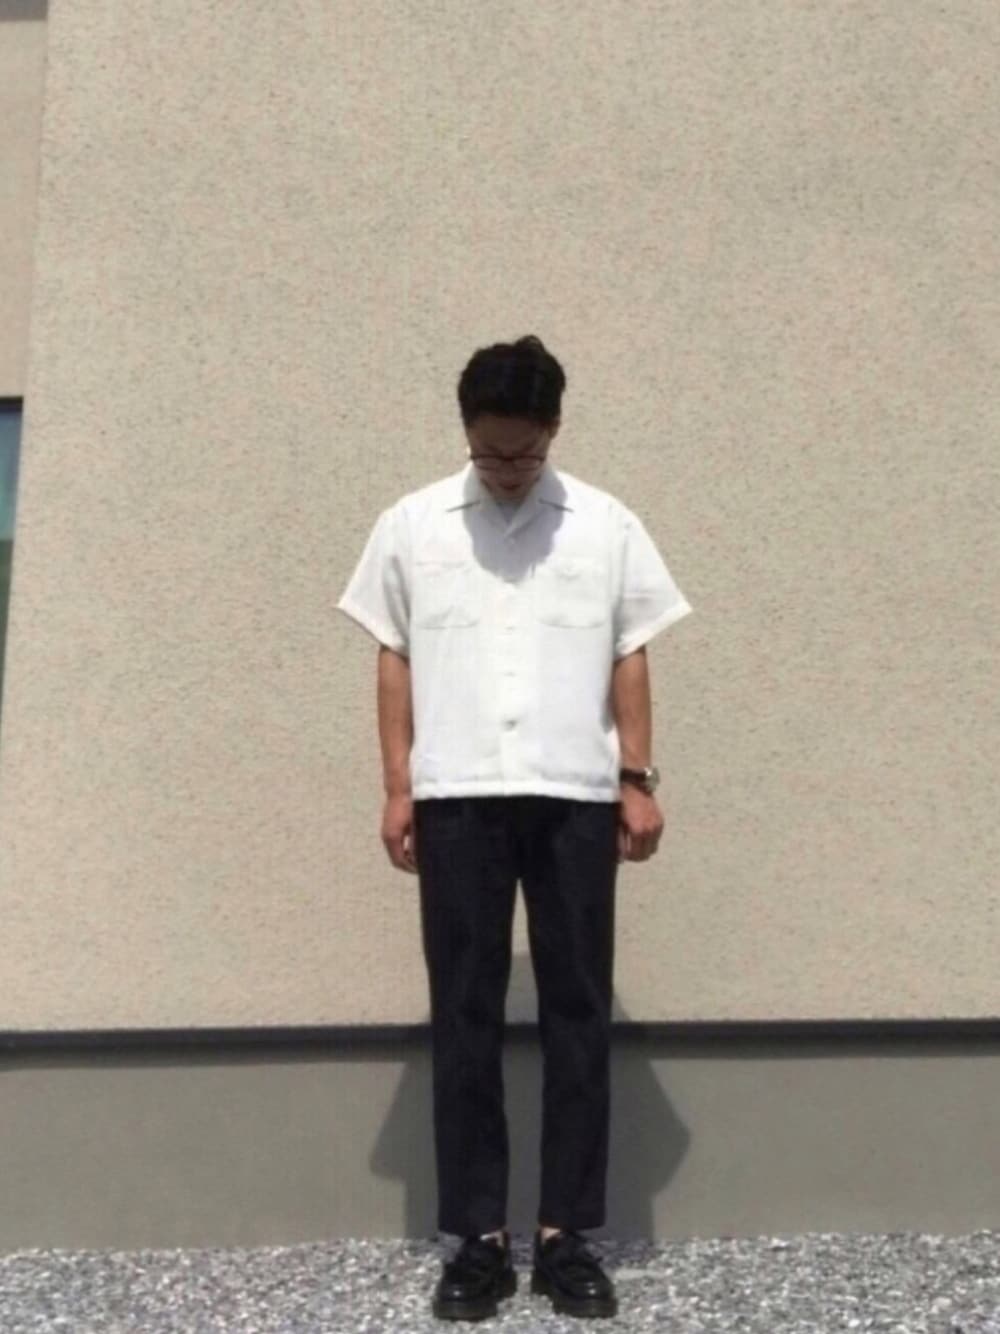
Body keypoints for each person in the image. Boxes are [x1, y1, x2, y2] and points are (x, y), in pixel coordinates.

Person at [336, 335, 693, 1320]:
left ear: (554, 430)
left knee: (579, 1010)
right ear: (465, 430)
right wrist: (397, 786)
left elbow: (630, 648)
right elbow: (393, 655)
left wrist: (636, 777)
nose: (505, 469)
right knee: (464, 1011)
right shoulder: (412, 525)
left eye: (524, 452)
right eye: (490, 451)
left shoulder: (605, 525)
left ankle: (567, 1235)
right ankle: (479, 1239)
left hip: (575, 796)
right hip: (456, 796)